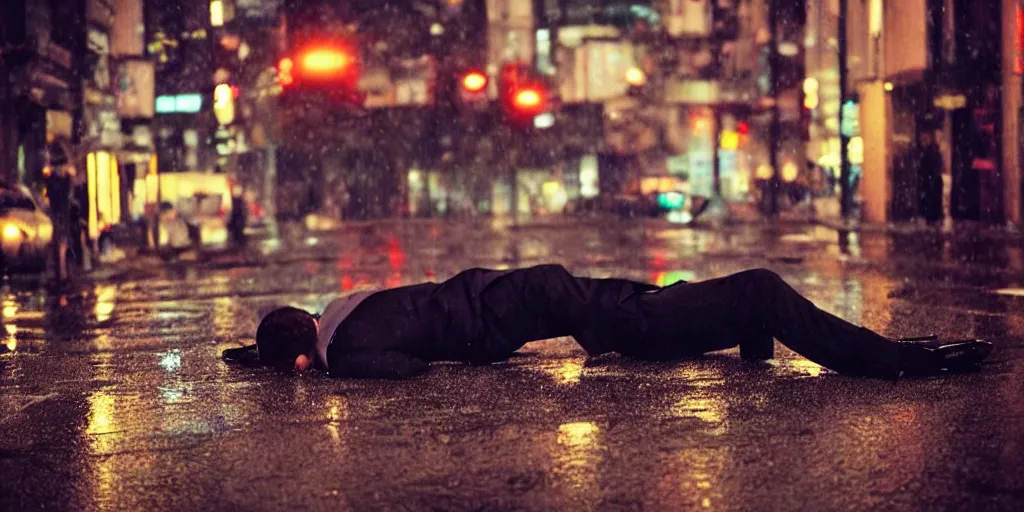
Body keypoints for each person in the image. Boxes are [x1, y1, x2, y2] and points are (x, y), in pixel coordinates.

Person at [224, 265, 992, 379]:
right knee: (752, 290)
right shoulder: (344, 312)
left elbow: (409, 367)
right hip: (525, 293)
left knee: (723, 299)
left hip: (604, 318)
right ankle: (899, 359)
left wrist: (285, 366)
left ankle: (894, 356)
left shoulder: (339, 347)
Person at [917, 130, 944, 225]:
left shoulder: (931, 152)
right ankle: (934, 219)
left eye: (924, 139)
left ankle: (933, 220)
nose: (922, 142)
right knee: (933, 203)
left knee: (932, 202)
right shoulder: (932, 151)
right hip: (932, 181)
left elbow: (931, 168)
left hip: (931, 182)